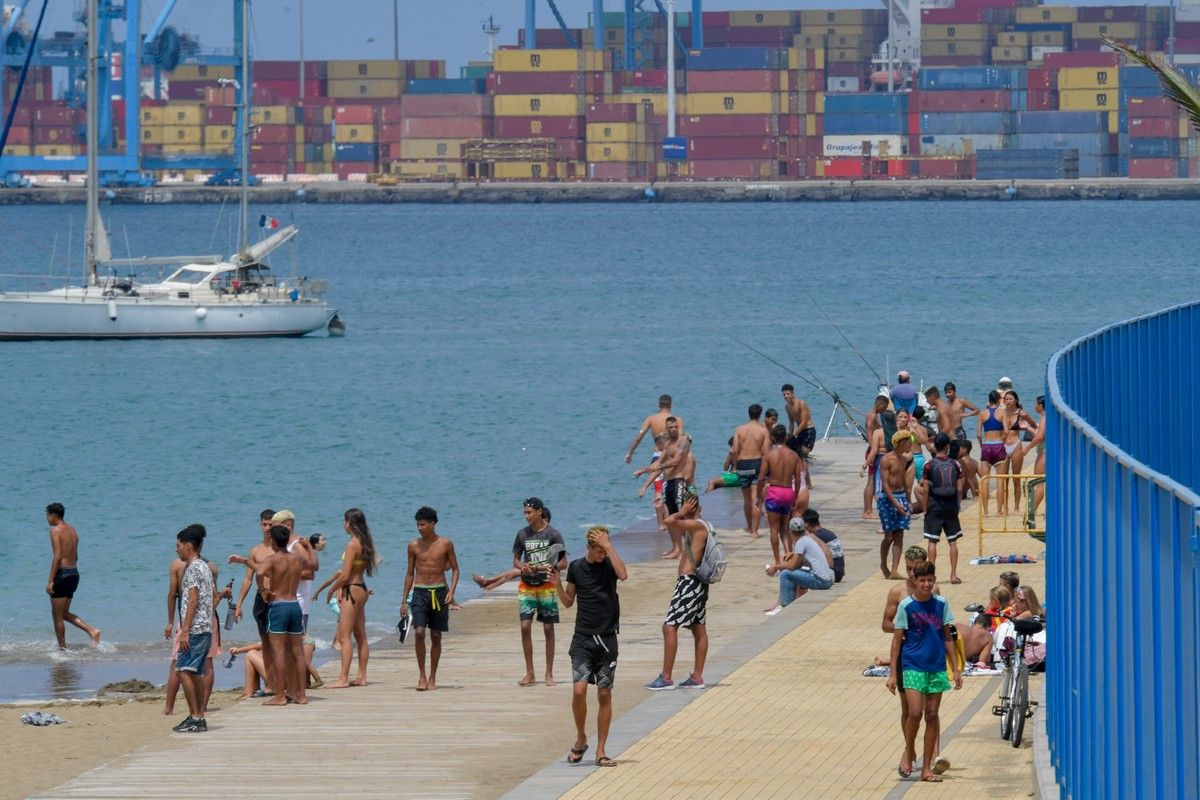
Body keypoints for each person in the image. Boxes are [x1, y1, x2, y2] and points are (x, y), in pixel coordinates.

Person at [551, 525, 628, 769]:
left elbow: (623, 575)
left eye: (604, 551)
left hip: (607, 639)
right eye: (598, 552)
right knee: (579, 691)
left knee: (604, 693)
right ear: (588, 548)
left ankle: (601, 750)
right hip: (583, 638)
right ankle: (581, 737)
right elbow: (567, 602)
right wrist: (556, 584)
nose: (601, 556)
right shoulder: (576, 568)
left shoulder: (610, 564)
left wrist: (609, 547)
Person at [886, 561, 962, 783]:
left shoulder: (941, 604)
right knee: (915, 712)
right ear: (914, 582)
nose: (926, 584)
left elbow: (948, 637)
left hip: (936, 666)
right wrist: (892, 673)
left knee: (932, 715)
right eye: (922, 581)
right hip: (912, 665)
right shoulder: (906, 606)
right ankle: (909, 752)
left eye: (930, 580)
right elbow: (896, 642)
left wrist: (956, 669)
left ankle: (926, 768)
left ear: (934, 580)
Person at [231, 523, 315, 706]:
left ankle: (279, 696)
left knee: (278, 653)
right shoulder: (296, 559)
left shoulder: (272, 559)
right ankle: (301, 695)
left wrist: (263, 592)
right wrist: (308, 547)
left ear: (274, 542)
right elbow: (314, 565)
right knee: (298, 653)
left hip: (278, 606)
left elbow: (259, 572)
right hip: (295, 605)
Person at [646, 493, 709, 691]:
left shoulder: (697, 526)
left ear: (690, 508)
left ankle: (666, 678)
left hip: (689, 583)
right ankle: (697, 677)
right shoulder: (701, 525)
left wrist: (680, 513)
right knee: (698, 627)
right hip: (697, 583)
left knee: (669, 627)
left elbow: (667, 521)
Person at [400, 506, 459, 691]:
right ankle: (422, 676)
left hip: (439, 592)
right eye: (418, 524)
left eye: (423, 524)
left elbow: (456, 569)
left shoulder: (445, 544)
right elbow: (409, 573)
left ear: (433, 524)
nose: (420, 528)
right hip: (419, 593)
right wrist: (403, 601)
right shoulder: (413, 546)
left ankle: (433, 677)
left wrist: (452, 592)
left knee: (435, 635)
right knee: (418, 632)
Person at [512, 497, 567, 687]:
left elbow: (563, 562)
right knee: (525, 626)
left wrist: (550, 566)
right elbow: (516, 560)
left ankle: (549, 673)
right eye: (525, 512)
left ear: (539, 512)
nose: (526, 516)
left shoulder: (553, 534)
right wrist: (523, 567)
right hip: (527, 586)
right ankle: (530, 672)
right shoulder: (522, 535)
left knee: (548, 628)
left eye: (529, 512)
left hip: (546, 586)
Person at [320, 508, 378, 689]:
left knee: (344, 637)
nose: (343, 525)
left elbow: (345, 576)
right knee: (361, 636)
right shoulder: (365, 542)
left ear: (350, 523)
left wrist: (330, 591)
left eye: (344, 521)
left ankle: (343, 678)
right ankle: (362, 676)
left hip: (351, 590)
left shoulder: (352, 544)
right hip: (361, 589)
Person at [172, 524, 215, 733]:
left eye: (178, 546)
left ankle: (196, 716)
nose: (176, 549)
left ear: (188, 546)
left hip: (196, 628)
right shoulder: (204, 567)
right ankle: (198, 716)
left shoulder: (193, 569)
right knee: (195, 672)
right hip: (205, 626)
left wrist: (185, 630)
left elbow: (193, 600)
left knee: (182, 670)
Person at [232, 509, 278, 695]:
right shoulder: (256, 550)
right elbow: (248, 579)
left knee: (278, 642)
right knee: (266, 644)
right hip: (261, 598)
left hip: (276, 598)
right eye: (264, 524)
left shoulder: (279, 548)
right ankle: (271, 683)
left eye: (270, 525)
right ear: (260, 525)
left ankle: (279, 680)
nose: (267, 528)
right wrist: (239, 604)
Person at [44, 503, 101, 649]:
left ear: (53, 515)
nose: (46, 518)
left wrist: (51, 580)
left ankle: (62, 650)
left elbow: (57, 556)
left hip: (62, 575)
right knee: (64, 613)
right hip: (74, 574)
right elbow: (75, 556)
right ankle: (92, 631)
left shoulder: (55, 531)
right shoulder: (73, 530)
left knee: (57, 616)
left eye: (47, 515)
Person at [633, 416, 691, 557]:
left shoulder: (683, 441)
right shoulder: (668, 444)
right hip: (669, 483)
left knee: (680, 516)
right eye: (670, 427)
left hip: (679, 482)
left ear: (678, 427)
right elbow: (658, 463)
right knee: (669, 519)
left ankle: (690, 547)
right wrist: (644, 470)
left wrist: (657, 468)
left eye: (675, 427)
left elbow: (675, 461)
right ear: (666, 429)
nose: (673, 429)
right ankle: (676, 549)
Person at [763, 513, 835, 615]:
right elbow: (798, 564)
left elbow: (792, 566)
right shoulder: (807, 539)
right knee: (793, 573)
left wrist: (776, 566)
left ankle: (784, 606)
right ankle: (785, 602)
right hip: (827, 578)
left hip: (821, 581)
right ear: (804, 529)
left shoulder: (801, 542)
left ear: (790, 531)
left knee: (786, 574)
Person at [920, 433, 965, 585]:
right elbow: (959, 488)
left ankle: (932, 575)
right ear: (947, 447)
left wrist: (925, 508)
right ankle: (953, 575)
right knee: (952, 541)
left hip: (934, 505)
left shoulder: (929, 464)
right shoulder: (955, 464)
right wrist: (958, 505)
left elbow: (925, 489)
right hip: (951, 506)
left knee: (932, 541)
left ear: (935, 446)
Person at [758, 425, 807, 562]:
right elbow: (797, 479)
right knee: (784, 528)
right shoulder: (794, 456)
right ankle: (788, 554)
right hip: (788, 492)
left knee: (774, 530)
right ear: (785, 437)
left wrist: (758, 497)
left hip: (774, 492)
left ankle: (778, 561)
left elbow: (761, 478)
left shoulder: (769, 455)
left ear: (773, 438)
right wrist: (795, 496)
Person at [729, 404, 771, 536]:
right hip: (757, 463)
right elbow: (765, 452)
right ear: (759, 415)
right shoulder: (763, 431)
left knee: (747, 500)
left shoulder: (739, 429)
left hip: (743, 465)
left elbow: (734, 450)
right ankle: (755, 530)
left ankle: (748, 526)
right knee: (757, 499)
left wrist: (735, 466)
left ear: (749, 414)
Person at [877, 431, 913, 580]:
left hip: (901, 496)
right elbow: (885, 485)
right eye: (909, 441)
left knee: (899, 534)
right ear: (901, 442)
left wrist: (908, 501)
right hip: (887, 499)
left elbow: (904, 481)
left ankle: (894, 570)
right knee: (889, 536)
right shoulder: (886, 459)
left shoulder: (904, 459)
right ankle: (883, 564)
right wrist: (895, 504)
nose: (911, 444)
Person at [1001, 390, 1038, 514]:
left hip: (1016, 445)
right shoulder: (1001, 413)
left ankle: (1016, 507)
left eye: (1011, 399)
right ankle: (1005, 507)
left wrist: (1025, 425)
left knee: (1016, 478)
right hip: (1003, 446)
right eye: (1006, 399)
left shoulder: (1021, 413)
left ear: (1016, 400)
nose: (1008, 401)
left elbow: (1034, 424)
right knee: (1004, 478)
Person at [976, 390, 1009, 516]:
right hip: (998, 445)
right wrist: (1002, 440)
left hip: (986, 446)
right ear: (998, 401)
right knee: (1000, 481)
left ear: (989, 400)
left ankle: (985, 512)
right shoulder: (1002, 413)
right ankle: (999, 511)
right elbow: (1006, 430)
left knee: (985, 481)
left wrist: (982, 445)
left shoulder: (982, 414)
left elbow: (979, 434)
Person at [624, 394, 683, 464]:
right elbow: (681, 440)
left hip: (657, 457)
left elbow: (638, 438)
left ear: (658, 405)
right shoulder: (677, 420)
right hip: (672, 457)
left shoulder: (651, 419)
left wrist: (629, 453)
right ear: (671, 405)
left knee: (654, 474)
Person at [860, 397, 891, 518]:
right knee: (871, 481)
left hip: (874, 451)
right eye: (884, 407)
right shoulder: (872, 416)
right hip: (873, 451)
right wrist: (873, 450)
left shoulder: (873, 415)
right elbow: (869, 434)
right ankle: (867, 511)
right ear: (879, 404)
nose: (884, 410)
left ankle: (868, 510)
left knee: (872, 480)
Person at [794, 509, 844, 582]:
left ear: (806, 524)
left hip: (832, 574)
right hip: (839, 572)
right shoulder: (828, 533)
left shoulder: (816, 537)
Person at [934, 382, 980, 449]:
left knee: (963, 453)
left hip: (959, 430)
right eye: (946, 393)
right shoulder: (946, 404)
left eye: (950, 392)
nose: (948, 395)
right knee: (952, 454)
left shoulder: (961, 401)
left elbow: (977, 410)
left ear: (954, 391)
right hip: (949, 432)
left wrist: (966, 414)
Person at [782, 383, 816, 457]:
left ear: (792, 394)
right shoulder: (787, 407)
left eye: (787, 394)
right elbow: (791, 423)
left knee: (803, 452)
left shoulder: (801, 403)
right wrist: (790, 435)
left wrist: (794, 435)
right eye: (784, 395)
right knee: (791, 448)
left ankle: (805, 455)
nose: (786, 396)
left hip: (809, 430)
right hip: (800, 431)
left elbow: (804, 422)